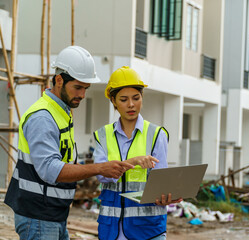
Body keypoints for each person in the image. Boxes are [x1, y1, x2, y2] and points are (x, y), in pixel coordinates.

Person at [4, 46, 135, 240]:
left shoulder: (61, 112)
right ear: (59, 80)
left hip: (51, 214)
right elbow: (51, 170)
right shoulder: (44, 117)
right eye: (78, 87)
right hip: (38, 216)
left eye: (86, 89)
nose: (82, 95)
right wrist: (99, 168)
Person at [93, 66, 182, 240]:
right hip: (111, 230)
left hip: (148, 230)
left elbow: (161, 183)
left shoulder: (157, 135)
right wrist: (134, 161)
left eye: (136, 97)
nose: (131, 104)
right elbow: (102, 175)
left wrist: (166, 197)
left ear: (142, 97)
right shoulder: (102, 136)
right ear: (113, 101)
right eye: (124, 99)